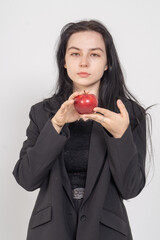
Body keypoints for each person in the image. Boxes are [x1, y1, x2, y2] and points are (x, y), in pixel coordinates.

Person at [12, 19, 154, 240]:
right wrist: (56, 125)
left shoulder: (128, 114)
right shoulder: (43, 113)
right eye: (75, 54)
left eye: (95, 54)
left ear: (107, 63)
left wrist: (119, 137)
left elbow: (130, 188)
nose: (84, 63)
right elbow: (26, 179)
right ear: (64, 62)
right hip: (50, 232)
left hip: (106, 233)